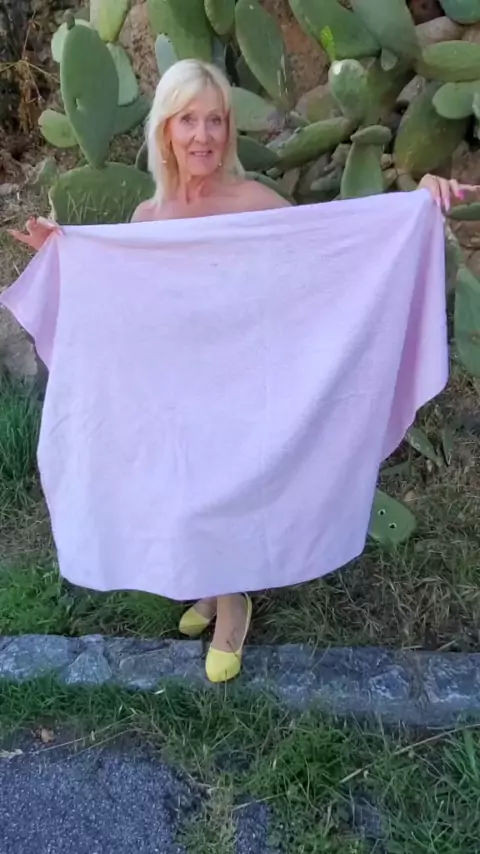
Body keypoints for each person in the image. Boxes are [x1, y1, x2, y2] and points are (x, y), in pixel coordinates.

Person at [8, 59, 474, 683]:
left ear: (229, 130)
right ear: (165, 129)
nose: (203, 136)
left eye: (216, 121)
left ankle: (232, 607)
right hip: (176, 394)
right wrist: (70, 261)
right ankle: (209, 586)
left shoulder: (254, 202)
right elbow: (131, 307)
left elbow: (322, 257)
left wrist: (414, 208)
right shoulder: (148, 219)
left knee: (214, 484)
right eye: (188, 121)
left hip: (244, 392)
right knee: (170, 481)